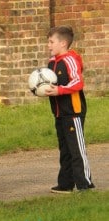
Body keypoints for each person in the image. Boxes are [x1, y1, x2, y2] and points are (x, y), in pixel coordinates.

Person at [45, 26, 95, 193]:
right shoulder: (52, 62)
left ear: (63, 43)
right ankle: (65, 184)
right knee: (64, 149)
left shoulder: (70, 60)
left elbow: (77, 83)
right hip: (59, 113)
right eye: (48, 42)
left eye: (51, 42)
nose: (48, 45)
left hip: (73, 112)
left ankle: (85, 184)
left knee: (76, 149)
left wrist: (59, 90)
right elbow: (49, 84)